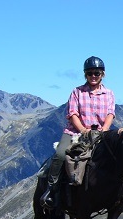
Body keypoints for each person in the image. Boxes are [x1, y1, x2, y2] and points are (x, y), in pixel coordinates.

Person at [41, 56, 116, 208]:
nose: (93, 76)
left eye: (96, 73)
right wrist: (82, 130)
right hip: (75, 132)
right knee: (60, 154)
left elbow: (110, 113)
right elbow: (72, 113)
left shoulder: (109, 94)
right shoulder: (77, 92)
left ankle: (119, 194)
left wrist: (105, 129)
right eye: (90, 73)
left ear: (103, 74)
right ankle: (51, 190)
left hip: (100, 133)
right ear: (85, 74)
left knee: (117, 155)